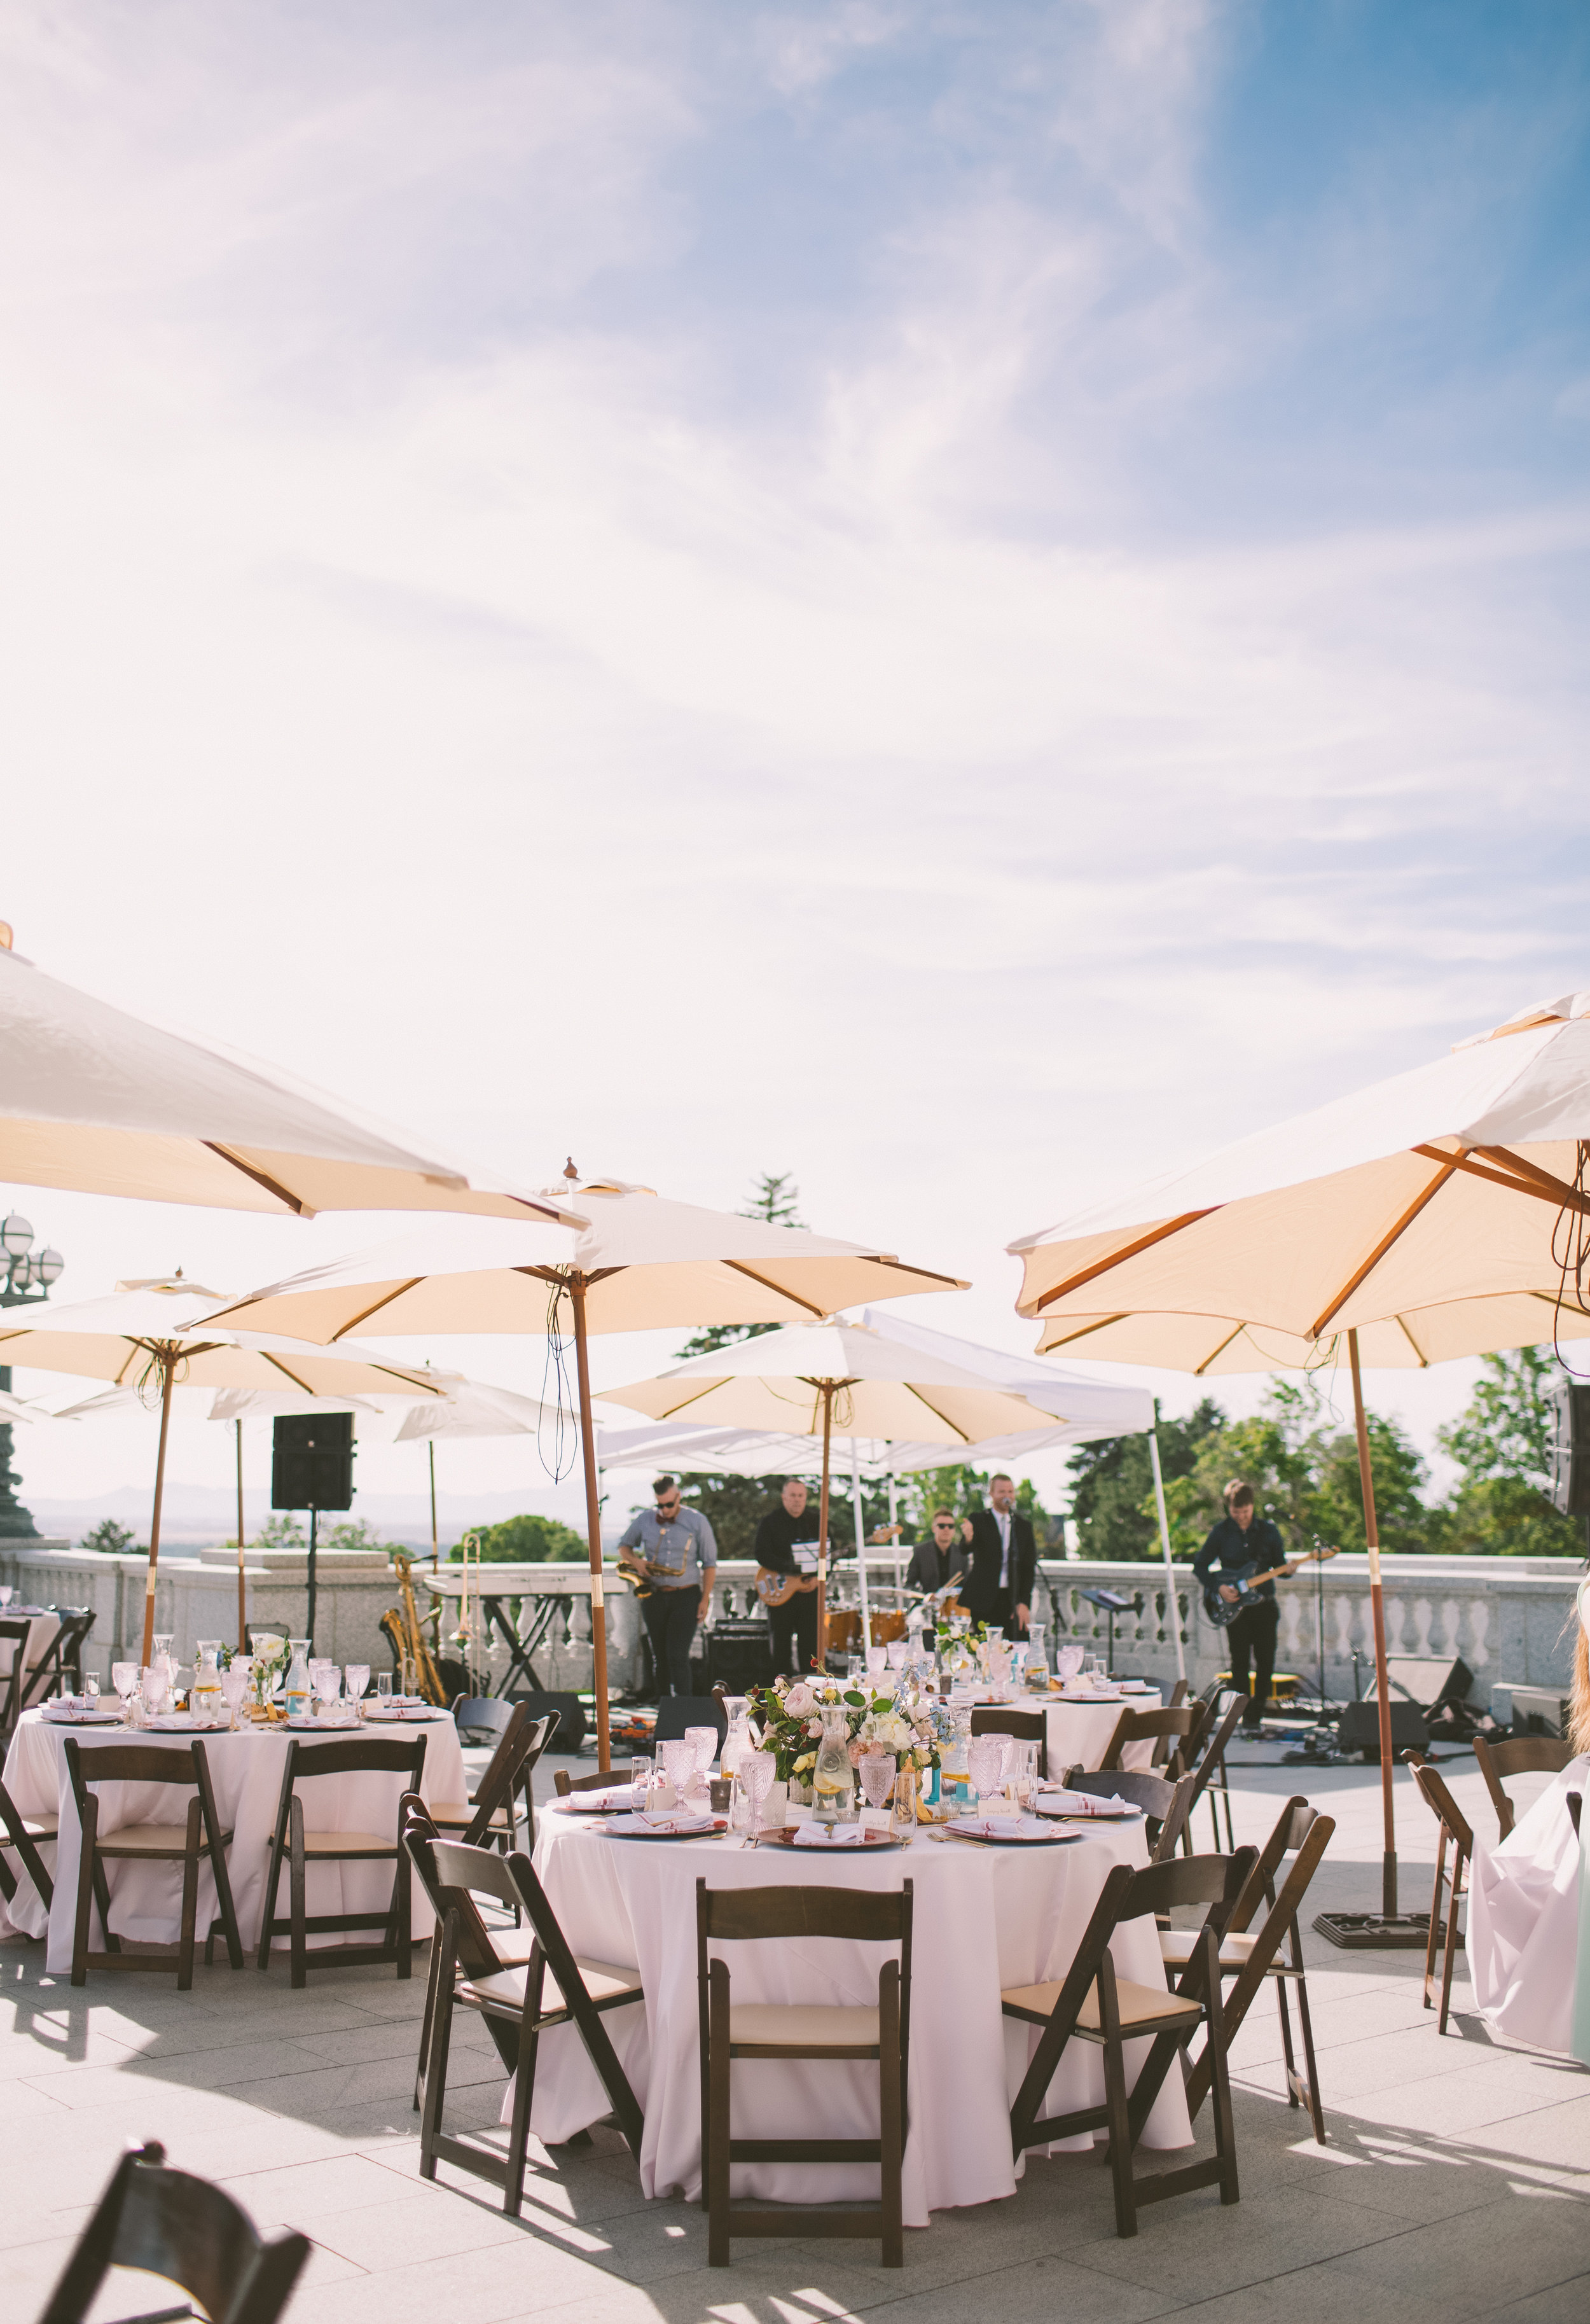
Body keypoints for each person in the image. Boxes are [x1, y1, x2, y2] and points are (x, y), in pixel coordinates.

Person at [1192, 1479, 1294, 1732]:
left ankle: (1255, 1715)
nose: (1241, 1517)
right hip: (1234, 1606)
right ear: (1228, 1507)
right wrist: (1218, 1587)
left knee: (1266, 1660)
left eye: (1245, 1512)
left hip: (1264, 1604)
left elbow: (1279, 1566)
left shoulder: (1269, 1531)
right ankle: (1240, 1711)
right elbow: (1200, 1565)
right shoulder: (1221, 1531)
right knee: (1239, 1661)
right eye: (1236, 1512)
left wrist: (1289, 1570)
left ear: (1252, 1506)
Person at [616, 1475, 716, 1699]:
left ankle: (684, 1708)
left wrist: (705, 1599)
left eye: (669, 1504)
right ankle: (663, 1708)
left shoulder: (697, 1521)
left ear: (679, 1497)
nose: (665, 1510)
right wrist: (638, 1563)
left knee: (678, 1656)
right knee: (659, 1657)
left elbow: (710, 1564)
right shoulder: (646, 1519)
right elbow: (624, 1546)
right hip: (654, 1595)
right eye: (660, 1505)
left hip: (686, 1595)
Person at [754, 1477, 823, 1678]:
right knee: (780, 1650)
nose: (797, 1500)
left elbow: (830, 1554)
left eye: (801, 1496)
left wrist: (819, 1579)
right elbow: (761, 1553)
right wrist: (789, 1569)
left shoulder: (817, 1521)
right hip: (781, 1593)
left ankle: (810, 1699)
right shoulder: (770, 1522)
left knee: (810, 1650)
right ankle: (780, 1699)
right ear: (784, 1498)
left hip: (809, 1595)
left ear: (806, 1497)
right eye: (792, 1495)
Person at [960, 1473, 1034, 1637]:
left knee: (1018, 1646)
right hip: (984, 1597)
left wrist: (1024, 1602)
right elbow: (964, 1549)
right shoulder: (979, 1520)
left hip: (1012, 1597)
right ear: (992, 1494)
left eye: (1010, 1491)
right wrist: (969, 1537)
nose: (1007, 1496)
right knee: (985, 1648)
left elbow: (1029, 1568)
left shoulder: (1023, 1526)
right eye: (1002, 1492)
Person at [904, 1508, 962, 1597]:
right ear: (934, 1528)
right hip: (926, 1606)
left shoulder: (962, 1553)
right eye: (942, 1526)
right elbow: (908, 1585)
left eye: (950, 1526)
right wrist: (926, 1597)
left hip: (954, 1607)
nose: (946, 1529)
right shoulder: (920, 1551)